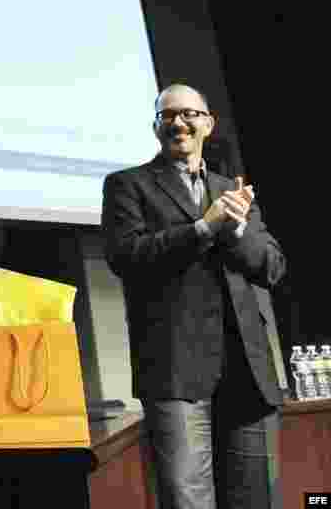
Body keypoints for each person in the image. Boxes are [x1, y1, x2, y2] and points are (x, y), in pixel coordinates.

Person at [101, 84, 287, 509]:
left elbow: (273, 267)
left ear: (208, 123)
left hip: (246, 370)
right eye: (167, 115)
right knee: (188, 501)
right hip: (176, 369)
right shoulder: (128, 185)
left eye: (188, 113)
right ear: (155, 127)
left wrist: (237, 231)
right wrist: (204, 228)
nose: (178, 122)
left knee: (257, 499)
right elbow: (126, 256)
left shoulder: (232, 190)